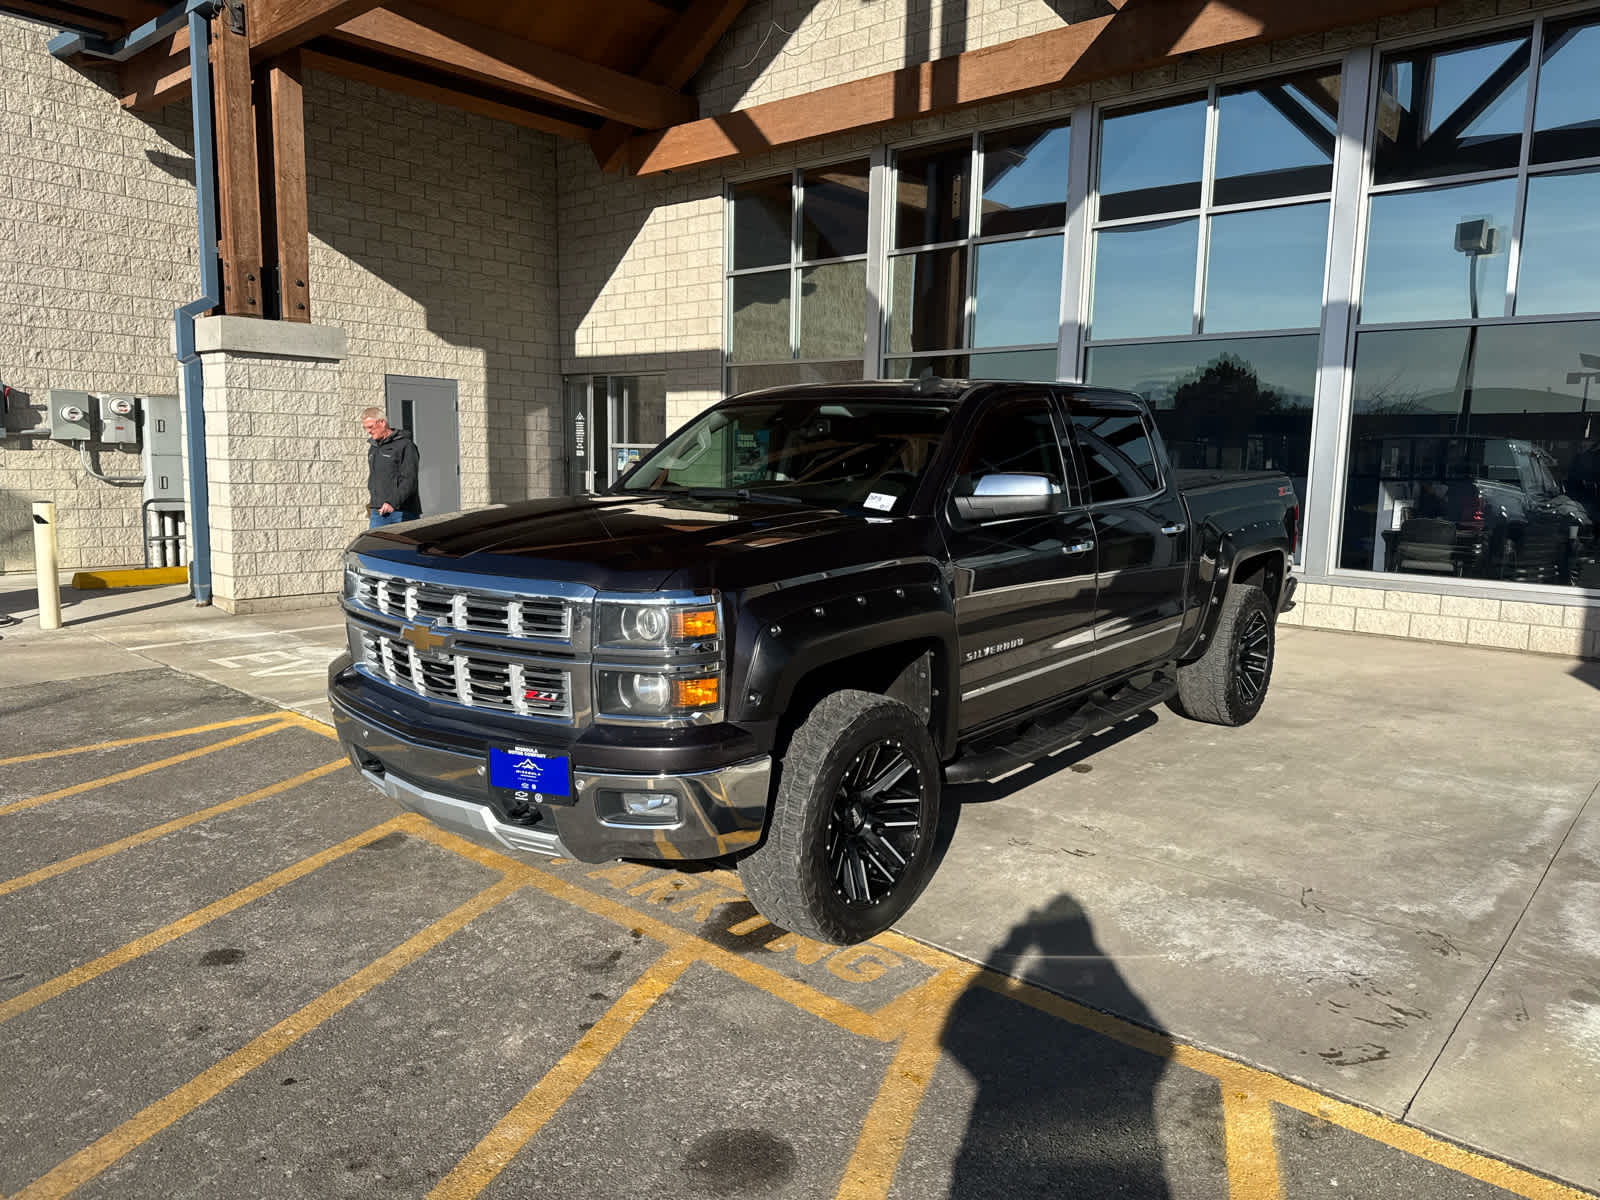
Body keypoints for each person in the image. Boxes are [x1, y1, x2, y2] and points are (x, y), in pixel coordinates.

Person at [361, 407, 422, 527]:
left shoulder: (405, 446)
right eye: (365, 428)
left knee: (401, 546)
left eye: (370, 426)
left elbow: (410, 479)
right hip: (377, 512)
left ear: (382, 422)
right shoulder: (373, 449)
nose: (368, 431)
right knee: (376, 546)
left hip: (400, 511)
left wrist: (392, 503)